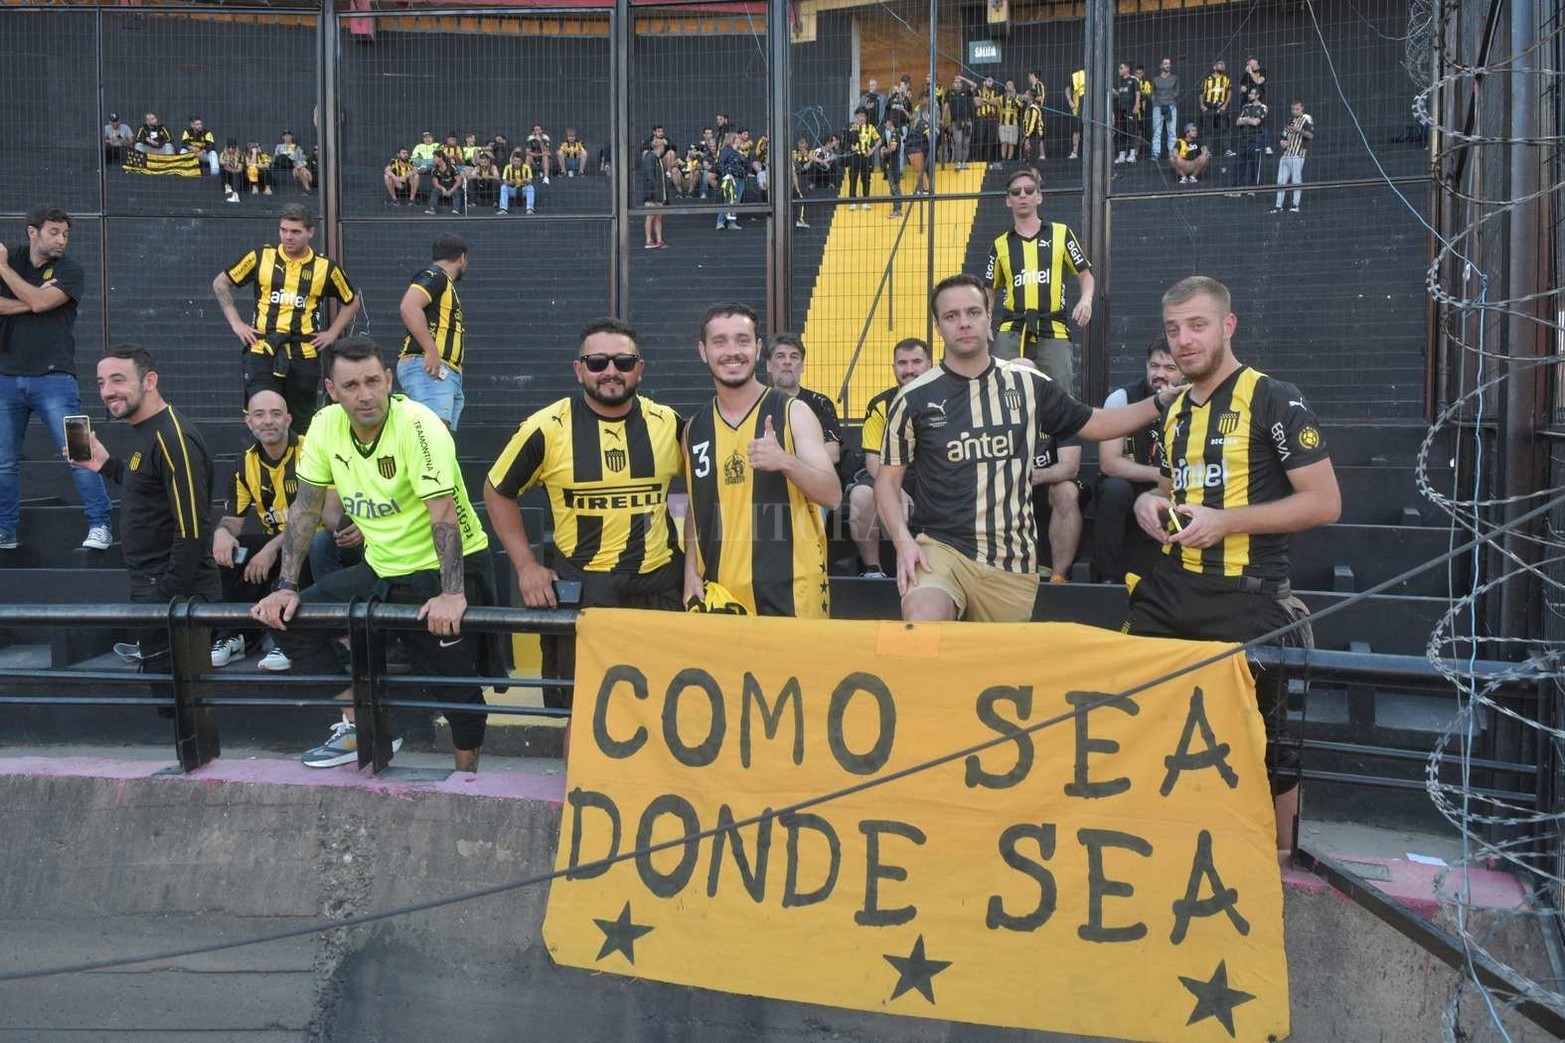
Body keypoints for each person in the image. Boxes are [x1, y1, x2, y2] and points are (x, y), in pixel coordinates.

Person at [1128, 275, 1340, 855]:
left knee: (1268, 741)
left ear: (1228, 325)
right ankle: (1151, 838)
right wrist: (1151, 502)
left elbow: (1325, 502)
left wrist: (1226, 521)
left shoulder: (1274, 397)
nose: (1183, 341)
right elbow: (1173, 490)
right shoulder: (1173, 412)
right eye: (1173, 329)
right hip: (1173, 587)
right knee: (1130, 712)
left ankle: (1281, 861)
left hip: (1248, 592)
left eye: (1196, 325)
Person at [874, 274, 1187, 624]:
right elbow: (887, 482)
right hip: (942, 550)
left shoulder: (1027, 384)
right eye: (951, 316)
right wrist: (903, 542)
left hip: (1012, 562)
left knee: (1001, 672)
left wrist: (1159, 402)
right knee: (922, 624)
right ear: (938, 325)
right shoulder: (913, 398)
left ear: (988, 316)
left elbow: (1097, 424)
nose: (964, 322)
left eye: (973, 312)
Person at [250, 337, 493, 773]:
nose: (364, 395)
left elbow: (444, 516)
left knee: (456, 691)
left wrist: (452, 593)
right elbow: (306, 508)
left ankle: (466, 781)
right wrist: (286, 586)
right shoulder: (324, 425)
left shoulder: (420, 425)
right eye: (350, 386)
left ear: (388, 379)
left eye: (371, 382)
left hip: (442, 569)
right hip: (381, 567)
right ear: (331, 389)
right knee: (287, 623)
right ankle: (366, 721)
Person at [485, 317, 684, 710]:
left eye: (623, 362)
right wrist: (526, 567)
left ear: (639, 368)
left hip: (657, 588)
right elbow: (497, 490)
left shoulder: (669, 423)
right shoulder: (547, 427)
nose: (611, 371)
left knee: (666, 706)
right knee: (583, 710)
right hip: (584, 591)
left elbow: (708, 493)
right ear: (579, 369)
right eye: (597, 362)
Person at [682, 303, 837, 617]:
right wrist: (690, 571)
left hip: (791, 591)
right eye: (719, 341)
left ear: (757, 348)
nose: (732, 351)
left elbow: (832, 495)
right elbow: (695, 507)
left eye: (742, 340)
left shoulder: (793, 412)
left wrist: (785, 461)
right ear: (703, 350)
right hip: (721, 594)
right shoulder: (694, 429)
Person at [73, 346, 220, 674]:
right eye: (100, 382)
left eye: (118, 380)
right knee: (170, 702)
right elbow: (149, 487)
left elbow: (193, 527)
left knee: (183, 705)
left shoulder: (172, 436)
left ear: (149, 380)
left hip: (174, 591)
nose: (107, 391)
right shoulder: (147, 431)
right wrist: (107, 466)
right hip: (154, 584)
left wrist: (164, 597)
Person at [209, 389, 362, 669]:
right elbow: (233, 519)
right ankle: (236, 634)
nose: (268, 421)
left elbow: (318, 516)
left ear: (289, 419)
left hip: (308, 542)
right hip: (276, 544)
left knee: (310, 543)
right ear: (249, 422)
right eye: (259, 414)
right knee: (232, 550)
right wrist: (221, 533)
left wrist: (271, 547)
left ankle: (290, 637)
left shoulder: (310, 449)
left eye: (276, 414)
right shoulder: (244, 463)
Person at [0, 208, 113, 552]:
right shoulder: (16, 257)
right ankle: (5, 531)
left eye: (65, 233)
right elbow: (35, 302)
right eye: (54, 232)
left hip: (57, 377)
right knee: (3, 463)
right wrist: (32, 301)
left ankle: (101, 526)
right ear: (32, 232)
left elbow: (40, 301)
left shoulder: (70, 270)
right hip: (5, 377)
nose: (61, 239)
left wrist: (7, 275)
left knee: (80, 452)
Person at [213, 203, 361, 436]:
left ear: (310, 232)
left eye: (295, 232)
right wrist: (236, 323)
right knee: (262, 412)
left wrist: (332, 333)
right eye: (283, 230)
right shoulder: (260, 257)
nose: (288, 237)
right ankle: (263, 467)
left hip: (303, 354)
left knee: (301, 420)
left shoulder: (325, 268)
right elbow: (221, 282)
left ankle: (299, 469)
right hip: (262, 349)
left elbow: (351, 301)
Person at [984, 167, 1095, 394]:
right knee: (1000, 395)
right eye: (1016, 192)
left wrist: (1086, 300)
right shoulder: (1000, 244)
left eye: (1029, 190)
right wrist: (986, 322)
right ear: (1008, 200)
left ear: (1039, 196)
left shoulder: (1061, 233)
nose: (1022, 195)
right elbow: (989, 291)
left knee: (1060, 399)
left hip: (1053, 329)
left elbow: (1085, 275)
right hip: (1011, 331)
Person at [1093, 337, 1179, 584]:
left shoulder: (1196, 400)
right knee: (1113, 488)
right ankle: (1107, 579)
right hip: (1133, 482)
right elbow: (1109, 463)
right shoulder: (1122, 398)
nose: (1160, 374)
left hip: (1178, 484)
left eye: (1169, 368)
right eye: (1154, 366)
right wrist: (1158, 474)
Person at [845, 337, 931, 579]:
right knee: (861, 495)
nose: (909, 369)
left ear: (929, 364)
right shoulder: (880, 404)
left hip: (932, 476)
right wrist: (893, 488)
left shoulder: (947, 400)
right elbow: (873, 460)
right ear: (893, 367)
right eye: (902, 363)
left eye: (916, 362)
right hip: (889, 472)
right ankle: (874, 571)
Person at [396, 234, 468, 431]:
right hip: (429, 367)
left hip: (441, 371)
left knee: (440, 440)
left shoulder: (441, 280)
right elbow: (409, 306)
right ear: (462, 258)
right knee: (432, 435)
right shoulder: (435, 275)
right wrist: (431, 350)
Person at [764, 333, 842, 467]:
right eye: (780, 356)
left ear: (802, 366)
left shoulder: (820, 403)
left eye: (794, 357)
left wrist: (782, 461)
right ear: (769, 366)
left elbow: (833, 453)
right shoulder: (757, 403)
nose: (787, 361)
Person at [1029, 432, 1087, 584]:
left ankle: (1058, 577)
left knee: (1066, 491)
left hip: (1045, 483)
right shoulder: (997, 412)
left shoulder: (1058, 412)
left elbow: (1070, 467)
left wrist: (1034, 476)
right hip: (1005, 483)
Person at [1272, 101, 1315, 214]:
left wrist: (1299, 130)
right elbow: (1283, 135)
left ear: (1302, 109)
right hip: (1286, 154)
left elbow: (1310, 135)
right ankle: (1278, 206)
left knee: (1296, 180)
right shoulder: (1290, 121)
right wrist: (1282, 141)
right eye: (1293, 109)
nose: (1294, 111)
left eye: (1297, 109)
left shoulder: (1306, 119)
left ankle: (1295, 205)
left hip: (1297, 154)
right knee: (1280, 181)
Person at [1231, 87, 1268, 191]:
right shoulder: (1246, 107)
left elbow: (1256, 122)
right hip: (1243, 140)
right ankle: (1236, 190)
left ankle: (1253, 190)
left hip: (1255, 140)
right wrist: (1248, 120)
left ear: (1257, 96)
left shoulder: (1262, 107)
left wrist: (1245, 119)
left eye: (1252, 93)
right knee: (1238, 165)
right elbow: (1237, 122)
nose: (1249, 95)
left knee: (1254, 166)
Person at [844, 108, 880, 211]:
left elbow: (879, 140)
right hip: (854, 156)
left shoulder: (871, 127)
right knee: (853, 178)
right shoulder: (851, 127)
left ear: (866, 117)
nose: (861, 118)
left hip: (866, 156)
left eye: (864, 116)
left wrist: (873, 150)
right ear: (856, 116)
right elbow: (845, 141)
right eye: (859, 116)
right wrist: (851, 146)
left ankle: (865, 201)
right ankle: (852, 201)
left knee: (866, 179)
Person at [1200, 59, 1233, 158]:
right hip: (1209, 106)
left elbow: (1229, 93)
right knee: (1208, 130)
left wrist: (1225, 105)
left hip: (1221, 106)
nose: (1222, 65)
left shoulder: (1226, 79)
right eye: (1220, 64)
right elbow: (1201, 93)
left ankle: (1227, 149)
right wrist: (1202, 105)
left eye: (1224, 64)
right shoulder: (1207, 79)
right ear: (1214, 67)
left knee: (1224, 129)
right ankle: (1208, 151)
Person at [1149, 58, 1179, 161]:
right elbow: (1152, 93)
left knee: (1172, 131)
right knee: (1157, 131)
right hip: (1158, 106)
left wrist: (1168, 97)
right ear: (1161, 66)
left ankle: (1172, 153)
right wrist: (1156, 101)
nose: (1168, 65)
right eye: (1165, 64)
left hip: (1171, 106)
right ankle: (1156, 153)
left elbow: (1176, 92)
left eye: (1169, 64)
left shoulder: (1175, 78)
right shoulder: (1155, 79)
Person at [1113, 62, 1141, 164]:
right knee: (1120, 131)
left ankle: (1132, 155)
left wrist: (1136, 105)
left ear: (1127, 69)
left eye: (1121, 67)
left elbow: (1138, 93)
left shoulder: (1134, 79)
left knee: (1131, 131)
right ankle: (1121, 155)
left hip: (1130, 109)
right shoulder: (1120, 82)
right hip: (1120, 109)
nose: (1119, 69)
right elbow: (1118, 95)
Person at [499, 149, 535, 216]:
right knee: (503, 187)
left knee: (531, 187)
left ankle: (530, 209)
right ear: (512, 161)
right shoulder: (508, 167)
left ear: (521, 162)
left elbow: (530, 181)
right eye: (515, 161)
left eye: (518, 161)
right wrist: (509, 182)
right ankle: (503, 209)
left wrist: (526, 180)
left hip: (523, 189)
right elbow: (504, 181)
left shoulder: (526, 167)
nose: (516, 163)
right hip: (512, 190)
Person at [1067, 68, 1086, 159]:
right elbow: (1068, 89)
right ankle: (1075, 152)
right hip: (1079, 106)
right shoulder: (1078, 75)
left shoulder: (1099, 75)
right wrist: (1070, 101)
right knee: (1076, 130)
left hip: (1093, 106)